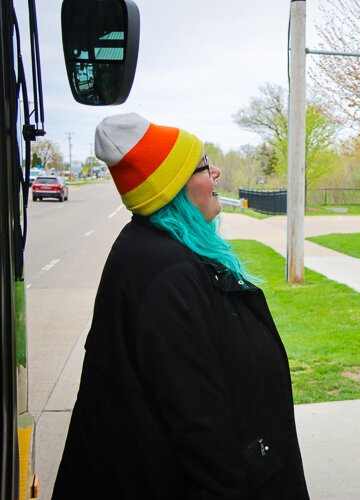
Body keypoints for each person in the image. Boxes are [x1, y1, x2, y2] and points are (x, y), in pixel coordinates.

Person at [53, 113, 309, 499]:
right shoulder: (166, 276)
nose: (217, 171)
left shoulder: (156, 252)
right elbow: (200, 429)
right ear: (175, 188)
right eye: (205, 165)